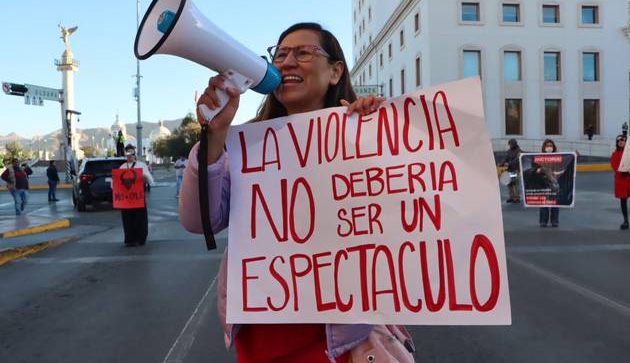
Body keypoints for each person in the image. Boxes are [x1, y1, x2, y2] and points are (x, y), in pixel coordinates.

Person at [179, 23, 414, 363]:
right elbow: (198, 220)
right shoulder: (248, 149)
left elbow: (403, 218)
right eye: (280, 55)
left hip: (339, 340)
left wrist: (376, 137)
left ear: (335, 72)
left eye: (303, 53)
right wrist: (213, 137)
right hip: (264, 335)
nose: (286, 62)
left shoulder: (364, 135)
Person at [120, 144, 154, 246]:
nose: (130, 156)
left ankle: (141, 238)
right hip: (126, 199)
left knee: (140, 219)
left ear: (135, 154)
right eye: (128, 153)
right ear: (125, 155)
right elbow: (115, 183)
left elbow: (150, 180)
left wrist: (144, 178)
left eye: (132, 153)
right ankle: (129, 239)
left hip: (138, 197)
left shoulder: (141, 165)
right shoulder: (121, 167)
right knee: (127, 219)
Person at [611, 135, 630, 230]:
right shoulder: (614, 154)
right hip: (621, 181)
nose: (621, 141)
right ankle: (625, 221)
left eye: (623, 140)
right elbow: (615, 167)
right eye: (619, 140)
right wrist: (622, 171)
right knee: (623, 201)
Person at [538, 139, 560, 227]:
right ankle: (543, 221)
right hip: (543, 183)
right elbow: (535, 167)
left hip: (554, 183)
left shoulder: (558, 157)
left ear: (553, 147)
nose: (549, 147)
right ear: (544, 147)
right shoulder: (539, 157)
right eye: (547, 146)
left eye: (551, 145)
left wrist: (576, 156)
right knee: (544, 202)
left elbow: (567, 162)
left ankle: (555, 221)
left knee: (555, 202)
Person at [501, 138, 522, 203]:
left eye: (511, 144)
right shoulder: (509, 151)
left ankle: (517, 198)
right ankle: (511, 197)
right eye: (509, 144)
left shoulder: (519, 151)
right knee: (509, 184)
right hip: (509, 170)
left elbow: (517, 160)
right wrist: (501, 163)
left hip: (515, 169)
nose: (510, 145)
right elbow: (506, 158)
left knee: (515, 184)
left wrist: (508, 163)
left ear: (514, 143)